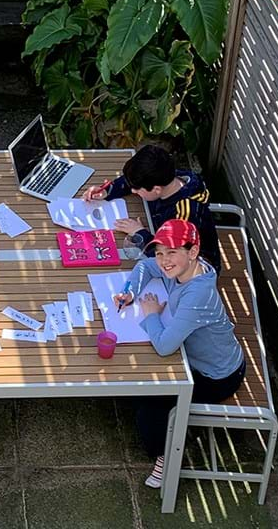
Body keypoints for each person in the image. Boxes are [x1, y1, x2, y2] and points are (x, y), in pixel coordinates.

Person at [112, 220, 245, 488]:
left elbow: (164, 347)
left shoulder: (198, 295)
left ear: (193, 251)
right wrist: (129, 292)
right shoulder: (188, 271)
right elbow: (144, 266)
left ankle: (167, 457)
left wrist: (150, 315)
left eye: (171, 252)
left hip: (217, 375)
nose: (163, 261)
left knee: (149, 407)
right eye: (160, 252)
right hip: (198, 356)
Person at [83, 144, 222, 272]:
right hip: (159, 233)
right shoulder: (167, 176)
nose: (133, 191)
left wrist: (139, 234)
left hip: (193, 269)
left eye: (137, 190)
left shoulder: (184, 214)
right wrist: (108, 190)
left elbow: (168, 256)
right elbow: (132, 181)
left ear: (156, 189)